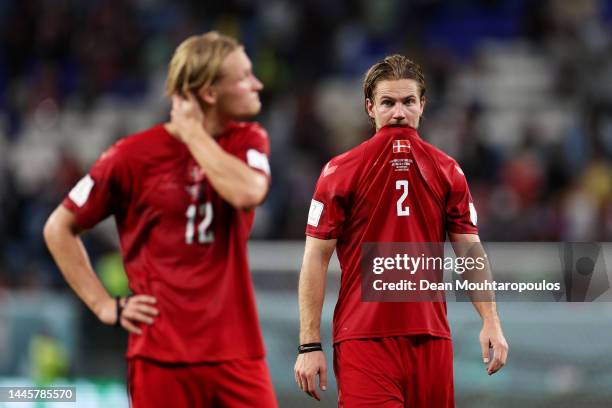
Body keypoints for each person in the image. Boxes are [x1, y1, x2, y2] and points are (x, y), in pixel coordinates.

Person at [44, 31, 277, 408]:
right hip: (160, 356)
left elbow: (248, 192)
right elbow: (58, 227)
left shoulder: (248, 140)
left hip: (236, 351)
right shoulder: (131, 157)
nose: (258, 83)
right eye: (244, 76)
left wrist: (193, 136)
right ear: (210, 93)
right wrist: (105, 304)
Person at [294, 55, 508, 407]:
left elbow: (470, 251)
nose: (399, 113)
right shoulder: (339, 172)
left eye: (408, 102)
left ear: (422, 105)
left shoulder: (448, 171)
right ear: (370, 108)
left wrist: (491, 321)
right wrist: (309, 344)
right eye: (388, 103)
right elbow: (315, 257)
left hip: (431, 340)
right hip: (364, 341)